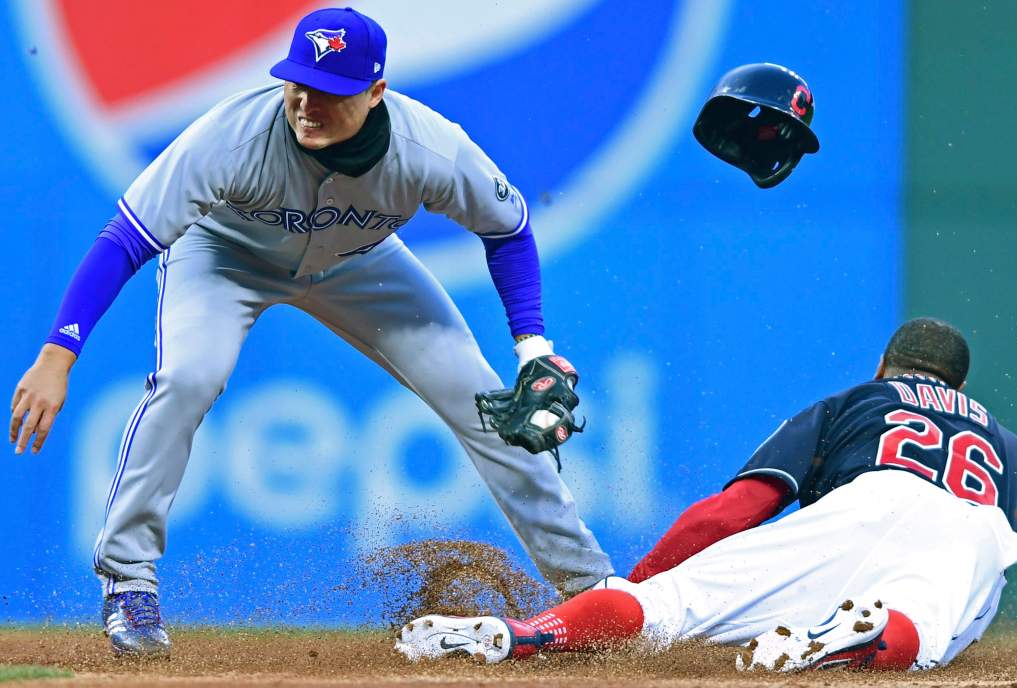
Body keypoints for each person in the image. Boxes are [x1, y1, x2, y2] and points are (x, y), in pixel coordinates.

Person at [8, 7, 613, 657]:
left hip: (360, 263)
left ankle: (592, 590)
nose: (306, 102)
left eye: (328, 91)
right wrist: (58, 352)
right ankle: (128, 581)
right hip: (224, 257)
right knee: (187, 377)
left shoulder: (429, 148)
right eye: (298, 82)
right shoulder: (233, 136)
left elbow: (509, 229)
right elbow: (125, 240)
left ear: (376, 92)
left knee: (485, 402)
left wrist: (534, 348)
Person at [395, 318, 1017, 671]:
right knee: (921, 630)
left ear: (885, 365)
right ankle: (857, 637)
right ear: (959, 386)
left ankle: (522, 636)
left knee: (666, 611)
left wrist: (643, 583)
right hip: (962, 533)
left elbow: (732, 513)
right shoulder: (1011, 449)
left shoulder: (852, 405)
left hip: (853, 506)